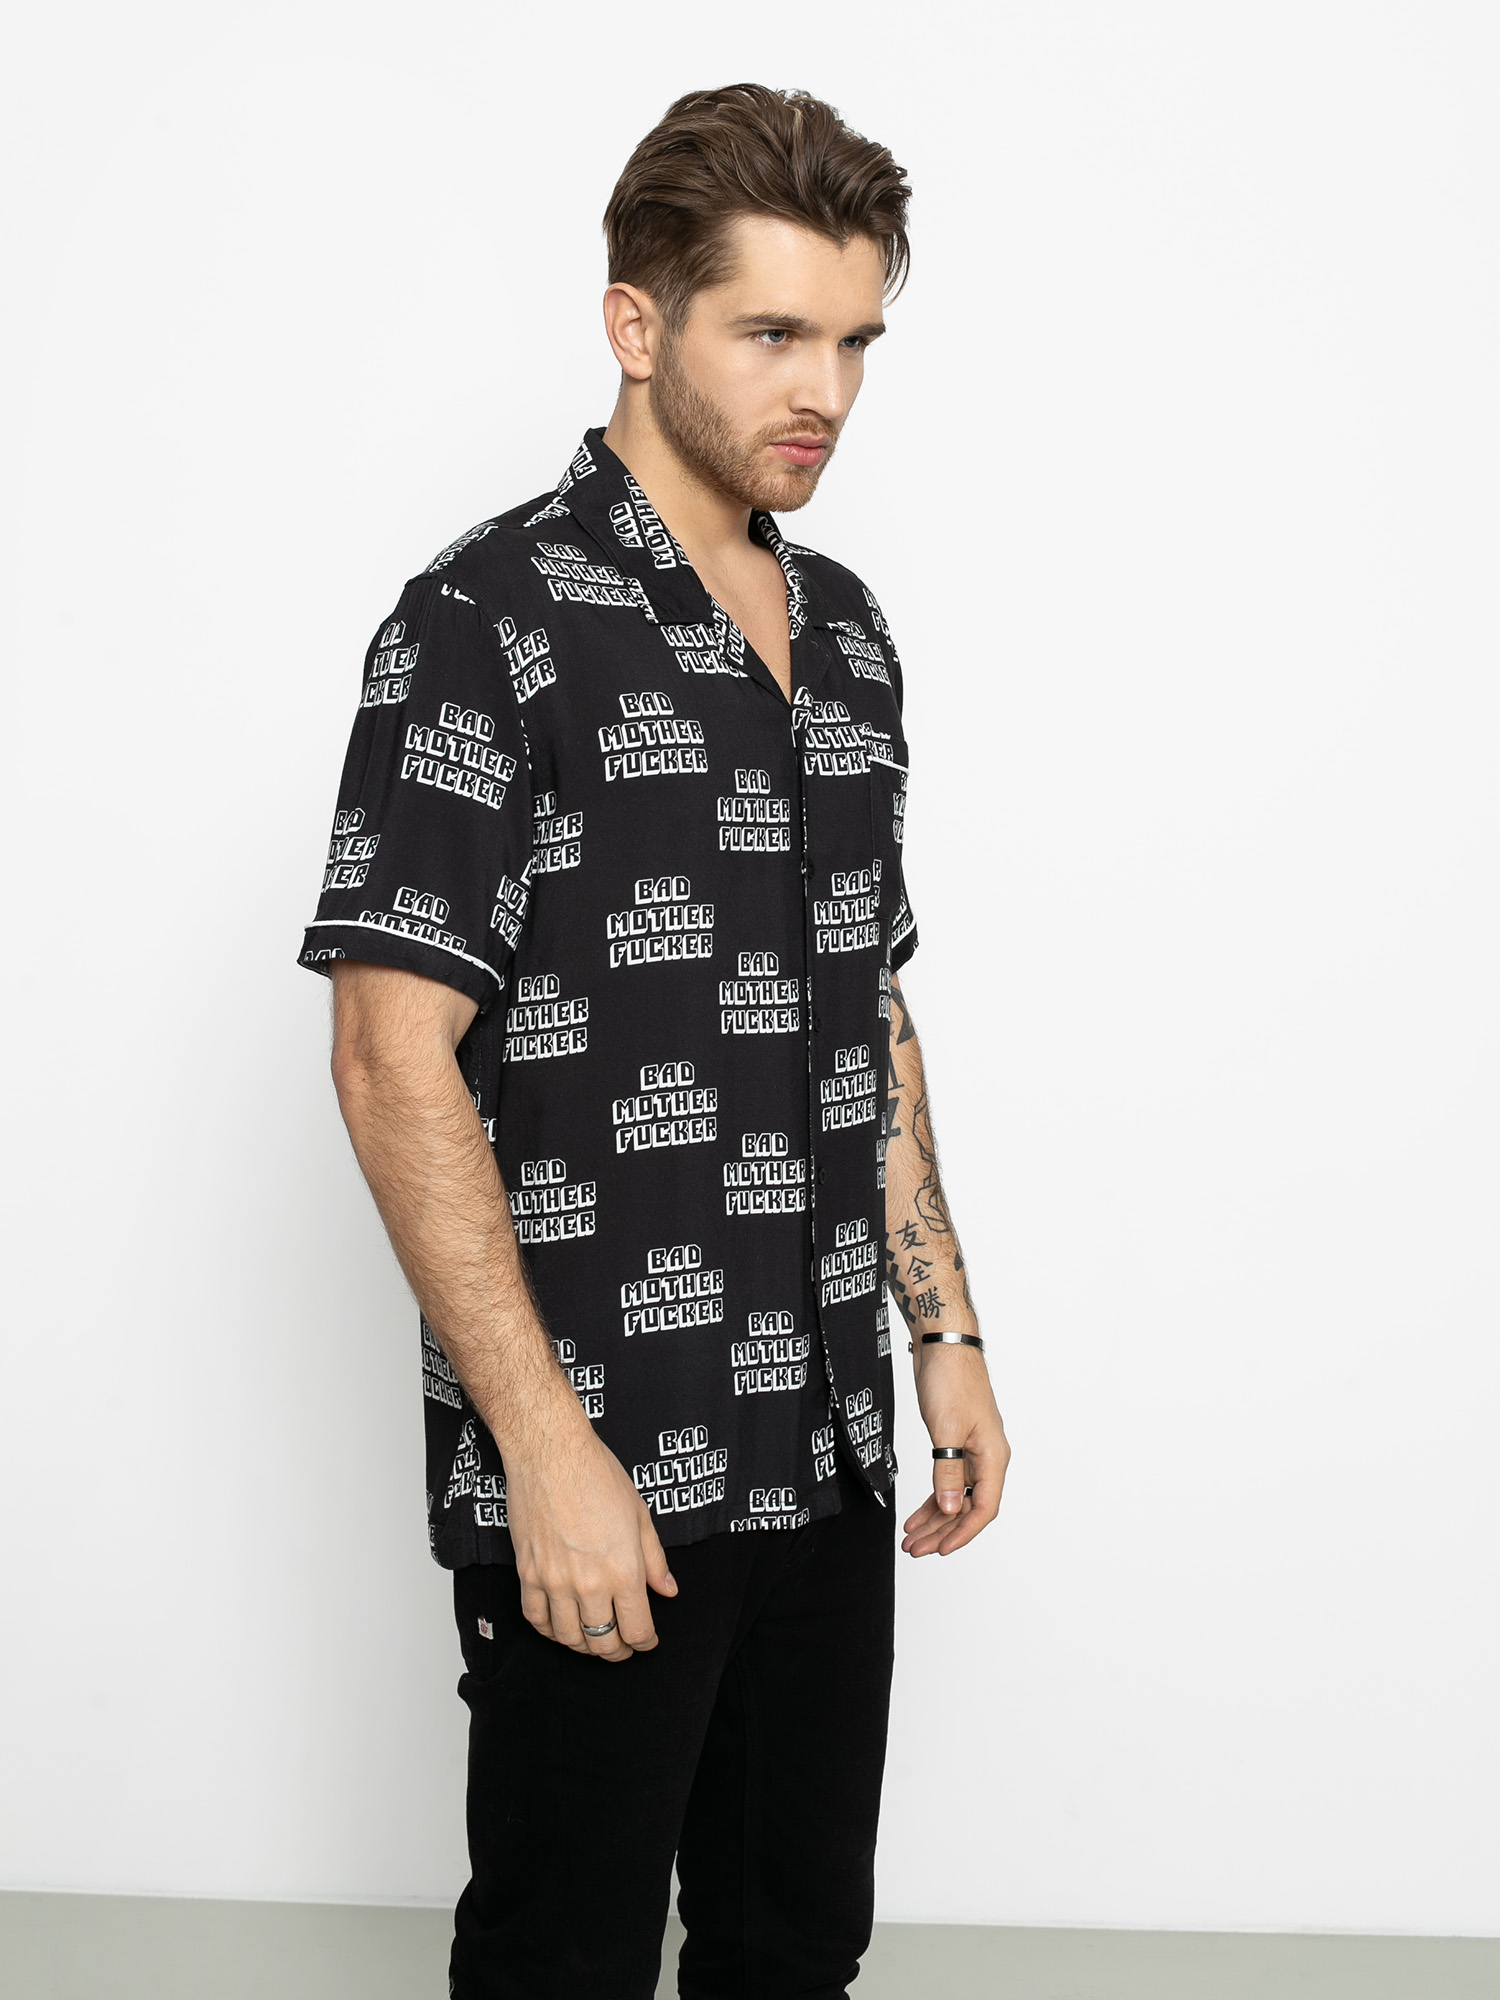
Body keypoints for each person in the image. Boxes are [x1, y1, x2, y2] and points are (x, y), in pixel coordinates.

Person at [299, 81, 1010, 2000]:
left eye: (854, 342)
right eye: (772, 332)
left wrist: (944, 1334)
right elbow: (388, 1056)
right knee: (565, 1960)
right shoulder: (486, 622)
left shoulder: (846, 633)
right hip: (606, 1448)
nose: (824, 391)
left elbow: (865, 1001)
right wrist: (544, 1451)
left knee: (796, 1951)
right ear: (637, 321)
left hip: (828, 1449)